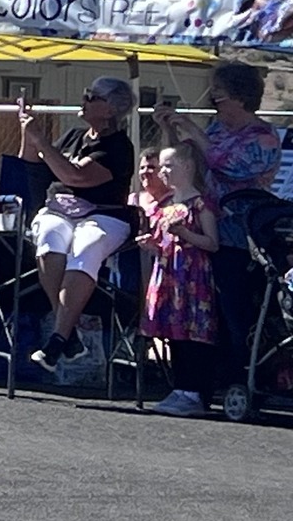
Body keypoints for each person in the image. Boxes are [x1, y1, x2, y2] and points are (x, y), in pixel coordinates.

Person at [21, 77, 137, 372]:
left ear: (110, 109)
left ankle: (57, 340)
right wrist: (27, 131)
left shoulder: (118, 147)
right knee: (49, 236)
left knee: (86, 245)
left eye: (91, 96)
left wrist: (42, 141)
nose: (83, 99)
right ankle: (68, 333)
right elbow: (32, 162)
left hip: (104, 213)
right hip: (60, 209)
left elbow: (75, 176)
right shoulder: (74, 136)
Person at [140, 143, 222, 418]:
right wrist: (153, 245)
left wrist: (185, 234)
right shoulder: (167, 205)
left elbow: (212, 243)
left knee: (193, 331)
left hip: (192, 275)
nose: (162, 171)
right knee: (174, 331)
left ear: (187, 166)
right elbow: (163, 241)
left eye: (168, 166)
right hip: (170, 273)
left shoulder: (200, 203)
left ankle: (195, 391)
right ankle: (180, 387)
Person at [151, 61, 282, 204]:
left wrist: (193, 129)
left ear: (241, 99)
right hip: (208, 211)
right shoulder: (217, 130)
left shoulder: (264, 138)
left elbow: (232, 168)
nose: (212, 102)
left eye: (217, 99)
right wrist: (168, 129)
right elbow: (184, 162)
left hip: (244, 214)